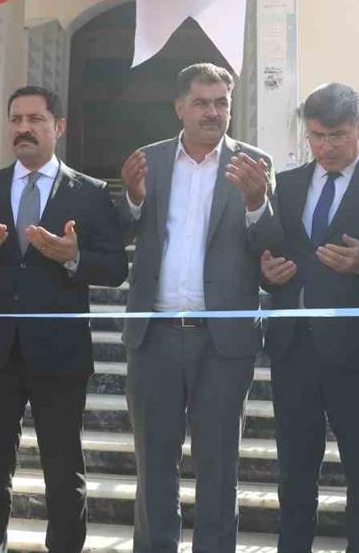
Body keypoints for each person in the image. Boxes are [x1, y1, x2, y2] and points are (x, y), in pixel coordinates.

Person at [0, 85, 128, 553]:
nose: (23, 128)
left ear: (58, 127)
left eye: (36, 119)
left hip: (59, 354)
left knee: (64, 474)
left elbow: (116, 269)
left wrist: (73, 257)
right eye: (16, 119)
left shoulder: (90, 193)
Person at [116, 62, 280, 553]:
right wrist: (131, 198)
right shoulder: (148, 161)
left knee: (218, 466)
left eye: (222, 102)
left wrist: (257, 202)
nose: (213, 112)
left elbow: (273, 246)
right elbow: (119, 233)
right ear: (179, 107)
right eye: (202, 102)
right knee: (154, 466)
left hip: (222, 343)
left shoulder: (254, 164)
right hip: (155, 338)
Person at [259, 83, 359, 553]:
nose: (326, 147)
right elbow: (273, 253)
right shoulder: (288, 183)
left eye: (337, 136)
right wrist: (269, 274)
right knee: (295, 471)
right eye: (316, 136)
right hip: (294, 349)